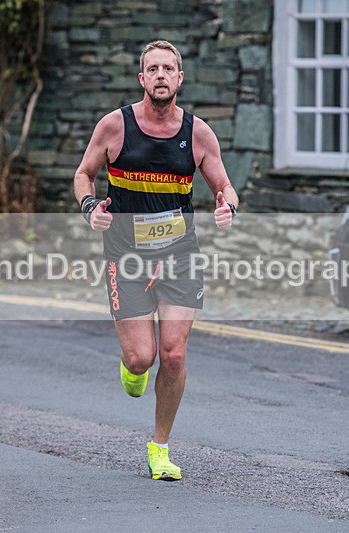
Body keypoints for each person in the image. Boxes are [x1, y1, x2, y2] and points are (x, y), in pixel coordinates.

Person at [73, 40, 238, 481]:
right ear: (142, 78)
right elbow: (83, 175)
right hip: (126, 258)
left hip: (180, 256)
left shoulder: (198, 133)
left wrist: (228, 207)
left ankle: (159, 447)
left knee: (176, 354)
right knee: (142, 358)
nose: (161, 75)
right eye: (153, 68)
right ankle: (133, 367)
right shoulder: (114, 127)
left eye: (169, 68)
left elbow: (224, 184)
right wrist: (92, 209)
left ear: (179, 79)